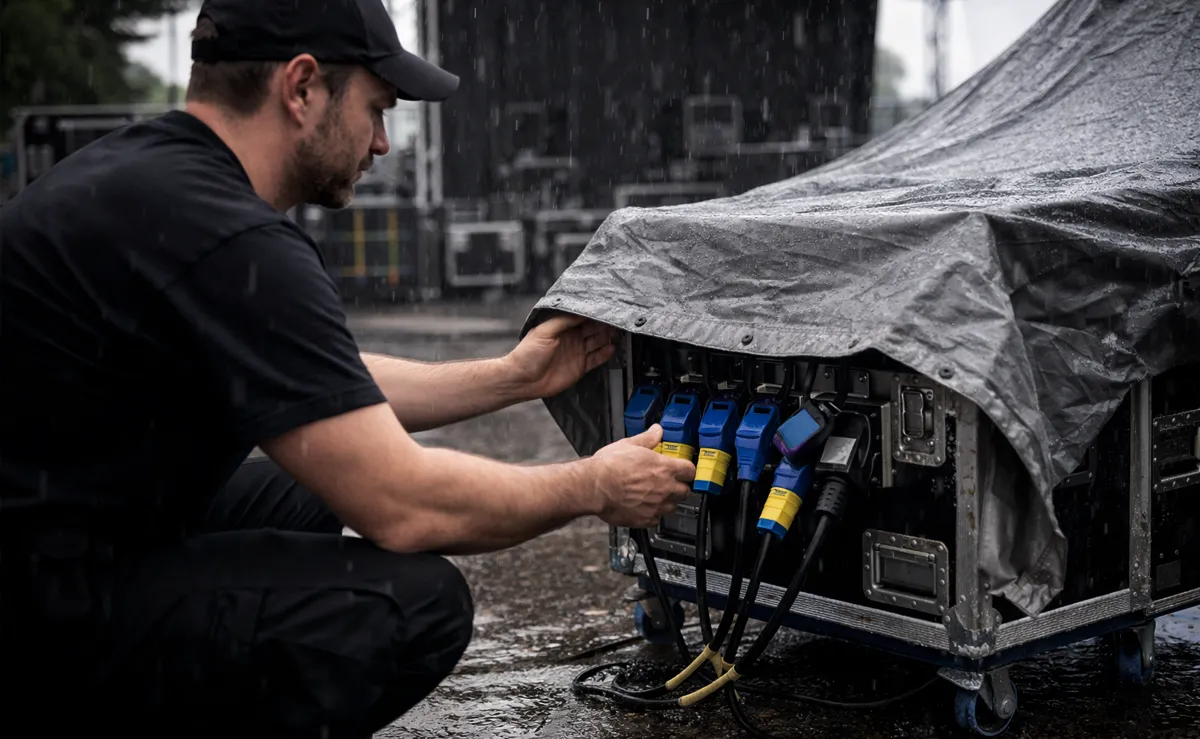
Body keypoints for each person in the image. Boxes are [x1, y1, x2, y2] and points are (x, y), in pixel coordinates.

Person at [0, 0, 695, 736]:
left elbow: (323, 381)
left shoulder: (150, 179)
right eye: (377, 108)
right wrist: (591, 486)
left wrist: (515, 375)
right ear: (301, 88)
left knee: (301, 487)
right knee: (413, 604)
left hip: (53, 531)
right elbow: (406, 503)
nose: (385, 142)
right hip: (42, 615)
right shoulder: (233, 237)